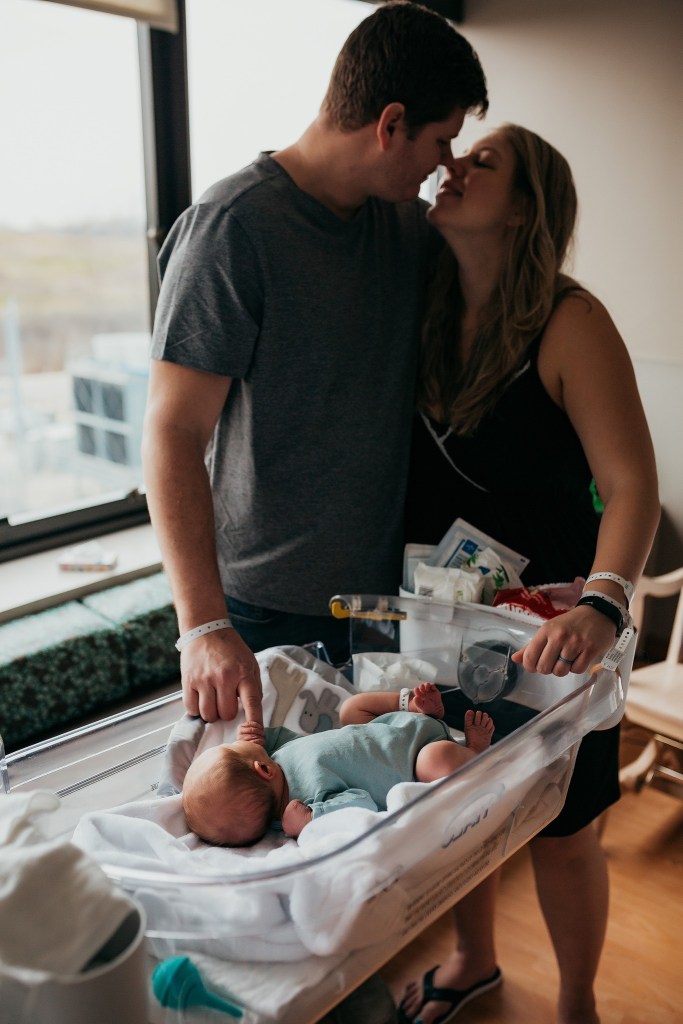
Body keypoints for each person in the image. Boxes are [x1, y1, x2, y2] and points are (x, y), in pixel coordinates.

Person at [141, 1, 488, 728]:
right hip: (261, 610)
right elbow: (172, 434)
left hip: (383, 604)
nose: (445, 163)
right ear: (389, 124)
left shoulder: (401, 226)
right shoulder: (234, 229)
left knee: (376, 816)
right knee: (263, 822)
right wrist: (203, 627)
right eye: (441, 139)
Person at [399, 125, 660, 1024]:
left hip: (549, 634)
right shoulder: (420, 309)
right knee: (459, 809)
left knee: (563, 828)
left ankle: (579, 1006)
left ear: (522, 211)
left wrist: (602, 603)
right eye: (455, 152)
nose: (452, 168)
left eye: (483, 163)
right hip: (440, 621)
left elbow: (631, 485)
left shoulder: (568, 320)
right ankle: (473, 960)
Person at [182, 682, 494, 846]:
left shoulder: (277, 755)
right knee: (437, 763)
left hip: (388, 725)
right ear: (262, 771)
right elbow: (363, 804)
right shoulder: (302, 804)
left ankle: (411, 704)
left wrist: (256, 738)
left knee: (350, 708)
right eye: (234, 747)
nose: (241, 741)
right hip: (417, 755)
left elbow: (285, 739)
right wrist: (312, 818)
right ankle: (473, 752)